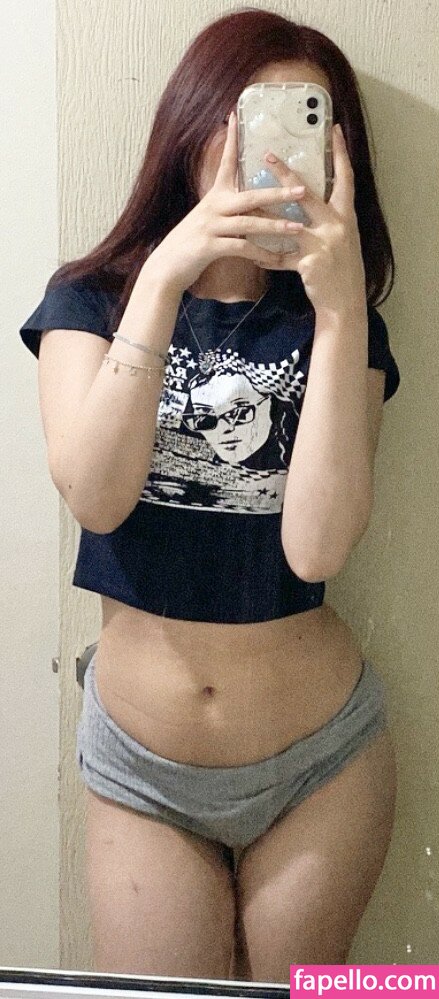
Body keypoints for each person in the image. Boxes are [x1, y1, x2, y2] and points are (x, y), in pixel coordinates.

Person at [19, 7, 401, 984]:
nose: (270, 158)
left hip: (319, 762)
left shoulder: (338, 325)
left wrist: (339, 310)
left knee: (317, 991)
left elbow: (317, 549)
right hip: (142, 768)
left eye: (304, 124)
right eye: (246, 120)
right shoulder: (88, 301)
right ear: (193, 127)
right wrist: (166, 278)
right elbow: (95, 497)